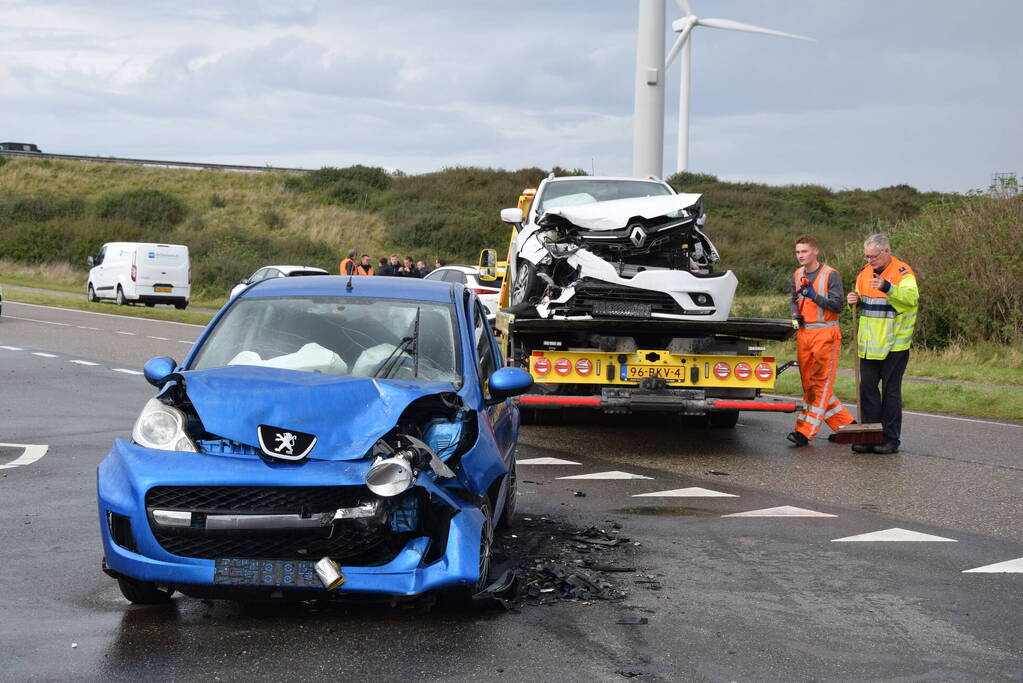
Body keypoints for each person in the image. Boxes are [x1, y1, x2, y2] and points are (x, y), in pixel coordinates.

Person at [847, 233, 919, 454]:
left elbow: (911, 299)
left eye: (873, 256)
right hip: (869, 345)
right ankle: (870, 435)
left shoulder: (902, 273)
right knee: (867, 388)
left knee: (890, 392)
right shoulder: (864, 273)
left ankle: (890, 439)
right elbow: (862, 299)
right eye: (867, 256)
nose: (869, 261)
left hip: (895, 346)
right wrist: (855, 300)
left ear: (886, 252)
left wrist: (887, 287)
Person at [787, 235, 855, 447]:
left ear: (815, 251)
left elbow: (837, 306)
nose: (800, 256)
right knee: (810, 386)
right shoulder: (797, 274)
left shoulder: (830, 275)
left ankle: (804, 432)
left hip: (825, 336)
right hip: (804, 335)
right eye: (798, 252)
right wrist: (794, 316)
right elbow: (793, 301)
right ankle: (850, 428)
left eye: (804, 251)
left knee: (820, 385)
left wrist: (814, 295)